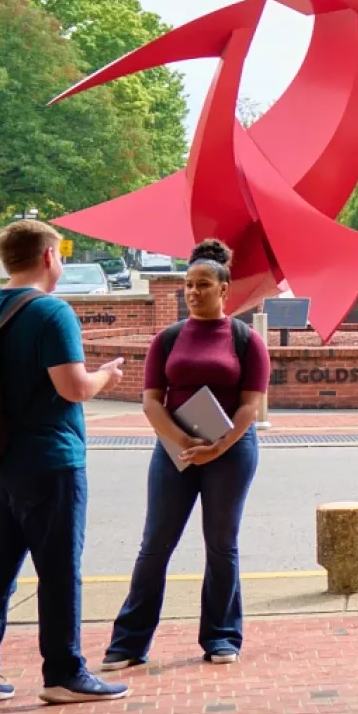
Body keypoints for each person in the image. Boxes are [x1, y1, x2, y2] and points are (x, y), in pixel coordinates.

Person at [0, 220, 130, 707]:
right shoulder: (52, 312)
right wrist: (105, 376)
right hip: (48, 460)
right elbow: (72, 387)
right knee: (58, 569)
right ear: (50, 256)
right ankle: (63, 673)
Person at [103, 240, 270, 669]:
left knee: (221, 544)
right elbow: (151, 401)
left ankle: (221, 636)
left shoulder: (246, 340)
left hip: (230, 451)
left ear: (224, 289)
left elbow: (250, 406)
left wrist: (218, 446)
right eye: (188, 285)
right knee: (155, 544)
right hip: (173, 451)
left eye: (202, 285)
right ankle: (128, 643)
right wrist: (182, 442)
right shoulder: (168, 339)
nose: (193, 292)